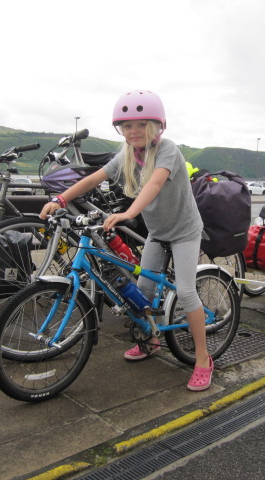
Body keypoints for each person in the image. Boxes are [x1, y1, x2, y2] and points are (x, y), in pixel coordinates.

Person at [39, 90, 214, 392]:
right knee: (141, 292)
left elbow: (156, 182)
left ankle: (202, 359)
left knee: (186, 292)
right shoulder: (127, 156)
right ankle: (151, 341)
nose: (133, 132)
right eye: (127, 126)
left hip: (184, 231)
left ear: (158, 127)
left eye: (141, 125)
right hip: (158, 232)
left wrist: (128, 213)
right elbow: (94, 178)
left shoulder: (168, 149)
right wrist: (61, 197)